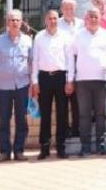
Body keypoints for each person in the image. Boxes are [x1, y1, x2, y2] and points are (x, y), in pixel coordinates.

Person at [0, 10, 33, 162]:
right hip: (3, 87)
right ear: (7, 23)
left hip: (22, 86)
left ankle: (19, 151)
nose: (14, 23)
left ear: (22, 22)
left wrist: (32, 85)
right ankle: (4, 152)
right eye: (11, 20)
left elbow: (31, 64)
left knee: (22, 119)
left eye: (17, 20)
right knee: (4, 120)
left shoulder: (28, 40)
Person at [71, 8, 106, 156]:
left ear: (100, 18)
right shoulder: (77, 36)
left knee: (101, 114)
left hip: (101, 81)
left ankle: (101, 145)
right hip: (82, 81)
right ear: (86, 19)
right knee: (84, 115)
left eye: (96, 17)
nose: (93, 19)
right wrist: (71, 78)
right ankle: (85, 147)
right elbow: (73, 57)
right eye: (91, 17)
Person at [31, 10, 73, 160]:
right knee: (45, 114)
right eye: (50, 18)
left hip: (61, 77)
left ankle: (61, 148)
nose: (53, 21)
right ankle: (44, 147)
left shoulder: (65, 36)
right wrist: (35, 82)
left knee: (62, 114)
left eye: (55, 18)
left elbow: (70, 60)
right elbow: (35, 60)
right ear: (45, 20)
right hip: (44, 78)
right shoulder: (39, 37)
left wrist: (70, 80)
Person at [58, 0, 82, 137]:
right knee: (62, 101)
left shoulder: (81, 24)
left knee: (77, 101)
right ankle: (65, 130)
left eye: (72, 8)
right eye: (66, 8)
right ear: (62, 10)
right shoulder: (58, 24)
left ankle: (76, 129)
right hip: (62, 65)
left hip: (79, 65)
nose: (69, 11)